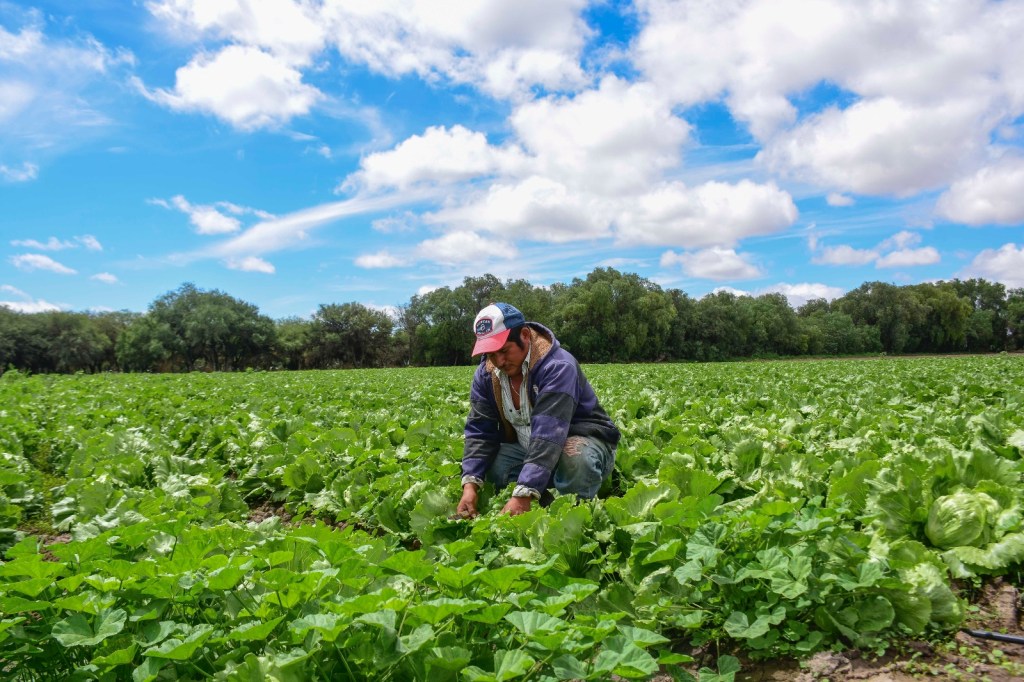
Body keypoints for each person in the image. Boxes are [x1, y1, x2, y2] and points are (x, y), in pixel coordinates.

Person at [457, 302, 620, 517]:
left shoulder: (558, 367)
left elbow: (548, 434)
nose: (499, 361)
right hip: (530, 448)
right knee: (491, 465)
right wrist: (470, 485)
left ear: (524, 335)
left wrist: (523, 494)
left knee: (575, 460)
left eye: (504, 351)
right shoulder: (486, 375)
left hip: (579, 441)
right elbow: (479, 430)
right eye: (490, 354)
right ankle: (542, 491)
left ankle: (573, 513)